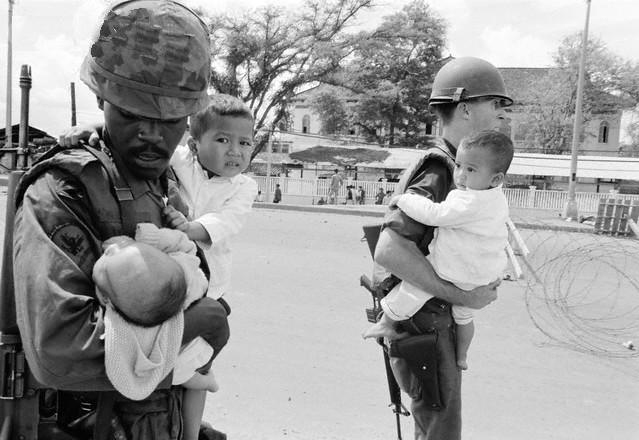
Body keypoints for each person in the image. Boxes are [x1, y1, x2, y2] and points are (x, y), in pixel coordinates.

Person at [12, 2, 230, 439]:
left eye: (168, 118)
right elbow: (59, 352)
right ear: (102, 98)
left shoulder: (159, 178)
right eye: (131, 114)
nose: (151, 133)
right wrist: (192, 325)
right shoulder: (62, 191)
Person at [370, 57, 511, 440]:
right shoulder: (441, 171)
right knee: (440, 430)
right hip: (425, 322)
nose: (502, 113)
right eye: (496, 103)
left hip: (430, 322)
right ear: (465, 108)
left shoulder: (458, 167)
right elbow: (388, 250)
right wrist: (465, 294)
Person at [363, 130, 513, 371]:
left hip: (454, 270)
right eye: (460, 166)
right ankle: (462, 356)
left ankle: (387, 322)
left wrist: (402, 200)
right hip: (484, 274)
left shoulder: (468, 201)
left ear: (495, 179)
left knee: (414, 287)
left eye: (471, 170)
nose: (461, 175)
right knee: (464, 317)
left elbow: (435, 215)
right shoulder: (497, 198)